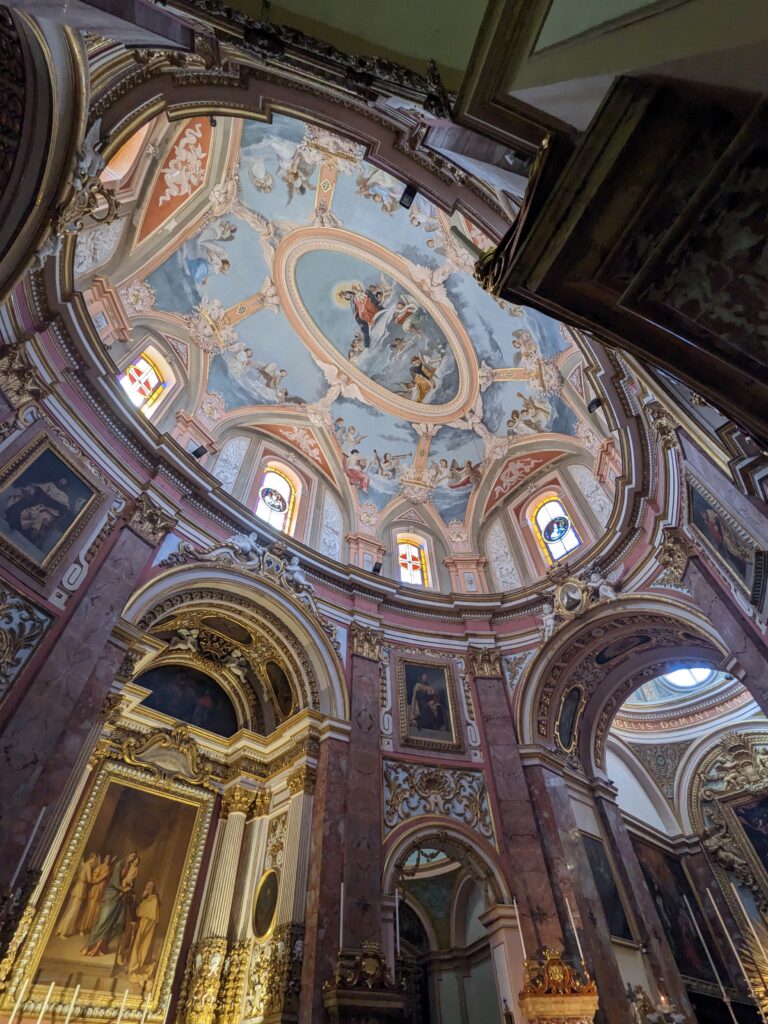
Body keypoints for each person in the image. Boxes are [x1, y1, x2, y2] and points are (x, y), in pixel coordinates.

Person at [81, 851, 140, 958]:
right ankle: (89, 946)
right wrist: (123, 889)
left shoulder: (131, 868)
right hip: (112, 894)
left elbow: (130, 882)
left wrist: (128, 890)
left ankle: (101, 947)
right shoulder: (120, 864)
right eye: (132, 856)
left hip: (120, 898)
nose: (132, 858)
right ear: (128, 855)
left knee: (112, 923)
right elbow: (114, 882)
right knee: (103, 921)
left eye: (134, 857)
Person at [56, 852, 97, 938]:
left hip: (78, 887)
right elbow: (89, 880)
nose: (95, 861)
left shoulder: (85, 865)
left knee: (71, 910)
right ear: (93, 858)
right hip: (80, 889)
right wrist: (98, 878)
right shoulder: (88, 866)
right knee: (73, 911)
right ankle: (63, 933)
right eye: (95, 859)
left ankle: (62, 930)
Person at [128, 881, 161, 983]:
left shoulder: (153, 900)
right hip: (141, 924)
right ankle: (133, 966)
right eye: (146, 885)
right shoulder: (146, 899)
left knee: (140, 946)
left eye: (149, 886)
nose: (146, 887)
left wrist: (142, 926)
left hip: (145, 925)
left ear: (152, 888)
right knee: (136, 945)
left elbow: (150, 916)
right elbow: (139, 911)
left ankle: (136, 967)